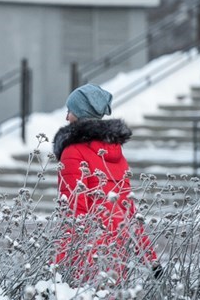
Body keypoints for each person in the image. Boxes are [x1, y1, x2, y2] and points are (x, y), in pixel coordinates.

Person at [53, 83, 161, 282]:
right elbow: (129, 212)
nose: (66, 117)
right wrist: (151, 260)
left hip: (85, 258)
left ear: (81, 113)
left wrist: (56, 267)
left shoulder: (72, 152)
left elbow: (74, 214)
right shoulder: (116, 154)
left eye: (70, 111)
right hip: (115, 254)